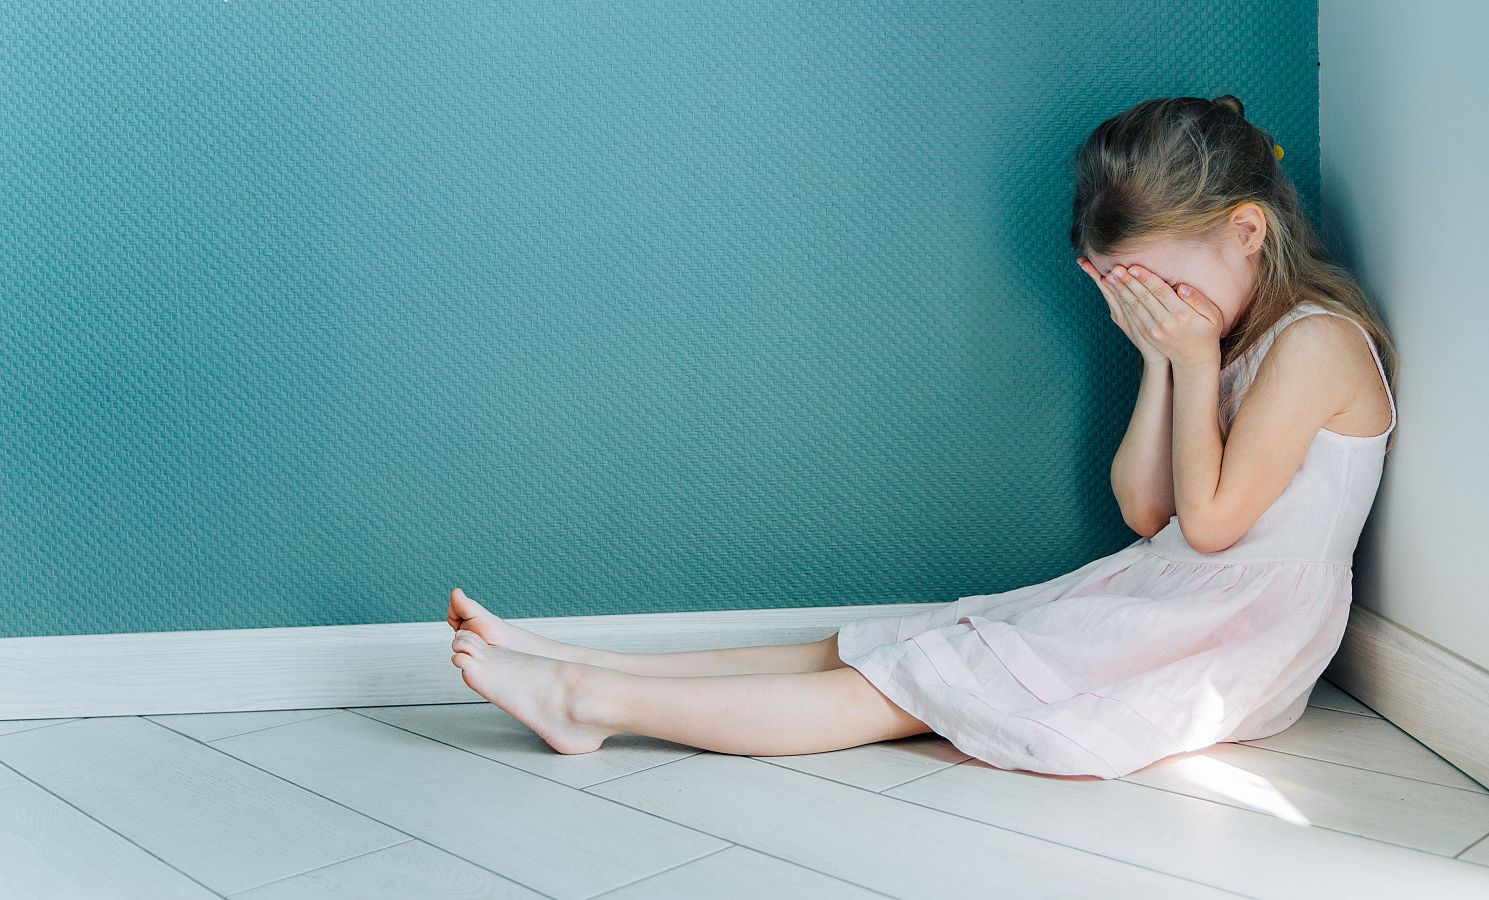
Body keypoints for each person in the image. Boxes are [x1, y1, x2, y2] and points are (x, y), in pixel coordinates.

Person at [445, 93, 1399, 778]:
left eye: (1163, 290)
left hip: (1230, 633)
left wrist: (1190, 362)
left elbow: (1216, 523)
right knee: (887, 643)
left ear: (1247, 233)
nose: (1156, 314)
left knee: (897, 689)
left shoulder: (1314, 344)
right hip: (1171, 587)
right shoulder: (1214, 343)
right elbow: (1150, 510)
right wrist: (1161, 359)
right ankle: (578, 662)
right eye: (1129, 299)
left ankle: (586, 704)